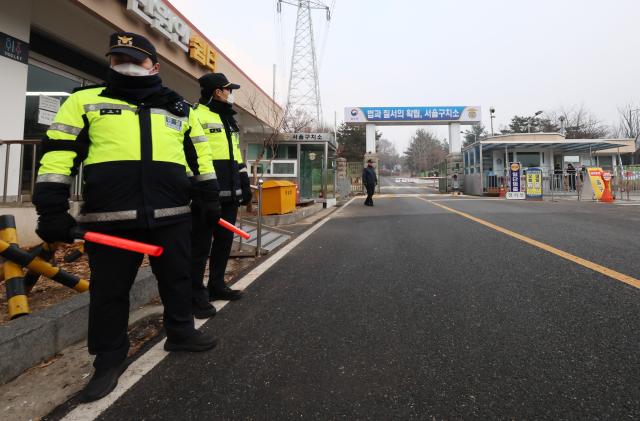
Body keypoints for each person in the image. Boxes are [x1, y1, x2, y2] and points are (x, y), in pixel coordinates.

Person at [32, 32, 220, 402]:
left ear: (155, 66)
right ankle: (109, 359)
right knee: (110, 293)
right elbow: (57, 157)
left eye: (136, 59)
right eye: (118, 59)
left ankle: (181, 332)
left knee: (179, 279)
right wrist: (51, 209)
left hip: (172, 214)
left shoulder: (179, 108)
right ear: (110, 64)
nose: (127, 65)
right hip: (110, 220)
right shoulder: (84, 101)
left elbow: (201, 156)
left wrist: (209, 196)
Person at [190, 72, 251, 316]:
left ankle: (216, 285)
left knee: (224, 243)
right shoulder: (195, 115)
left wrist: (244, 182)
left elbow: (235, 154)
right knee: (200, 245)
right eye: (228, 89)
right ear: (217, 91)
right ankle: (195, 295)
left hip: (230, 193)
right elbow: (191, 155)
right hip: (207, 194)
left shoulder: (228, 119)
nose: (230, 93)